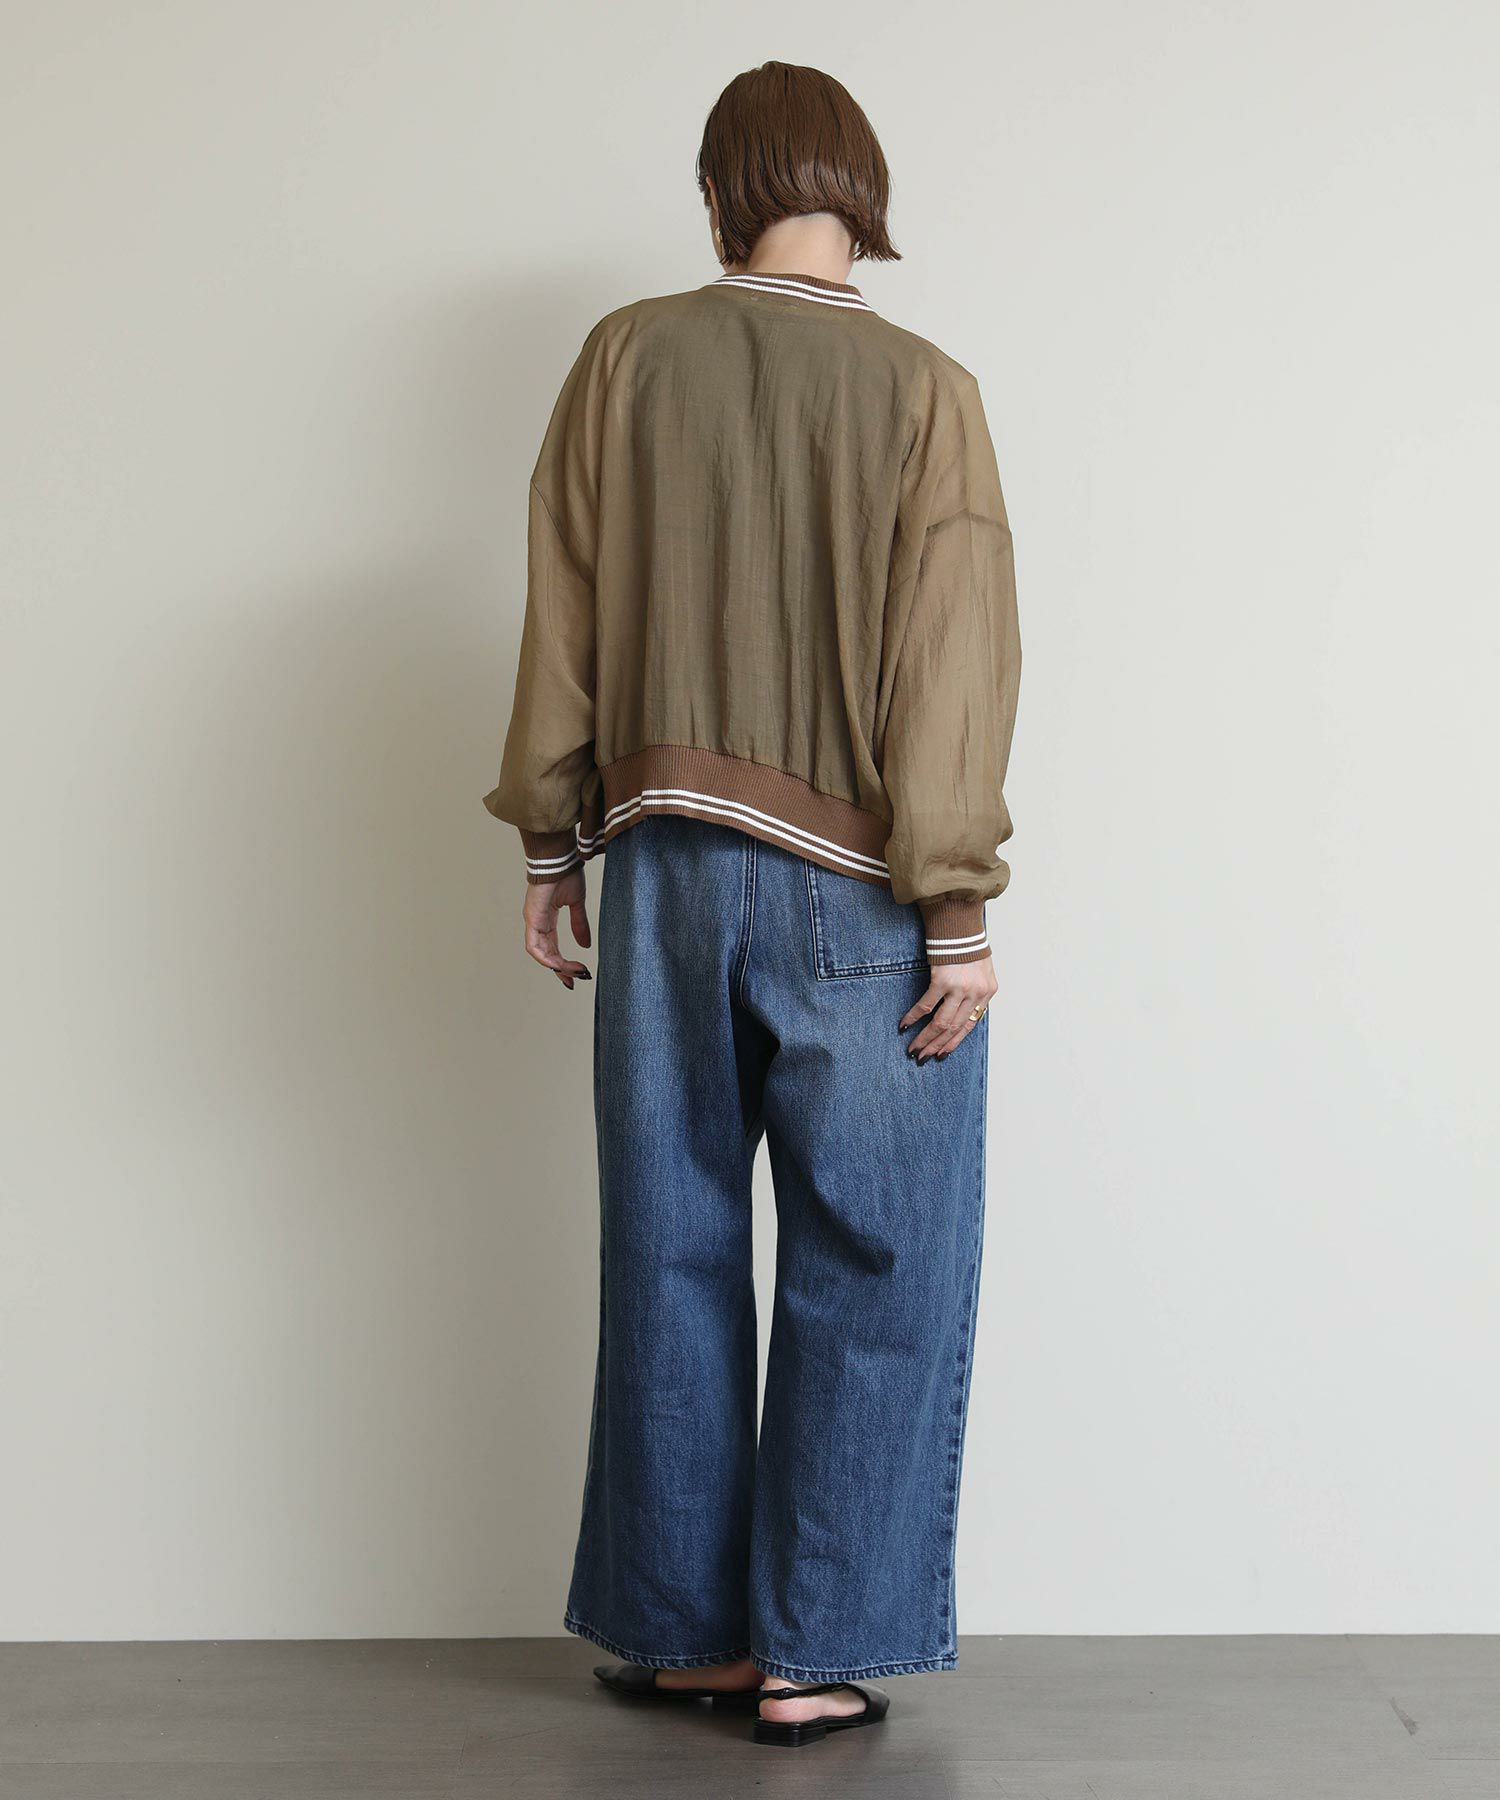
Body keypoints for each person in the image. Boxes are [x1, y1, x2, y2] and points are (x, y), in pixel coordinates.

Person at [485, 59, 1020, 1750]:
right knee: (876, 1257)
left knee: (672, 1245)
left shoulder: (626, 356)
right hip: (859, 886)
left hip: (659, 869)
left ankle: (692, 1634)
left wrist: (551, 844)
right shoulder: (927, 389)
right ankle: (816, 1652)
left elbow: (564, 601)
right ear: (860, 193)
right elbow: (952, 663)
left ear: (720, 192)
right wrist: (956, 908)